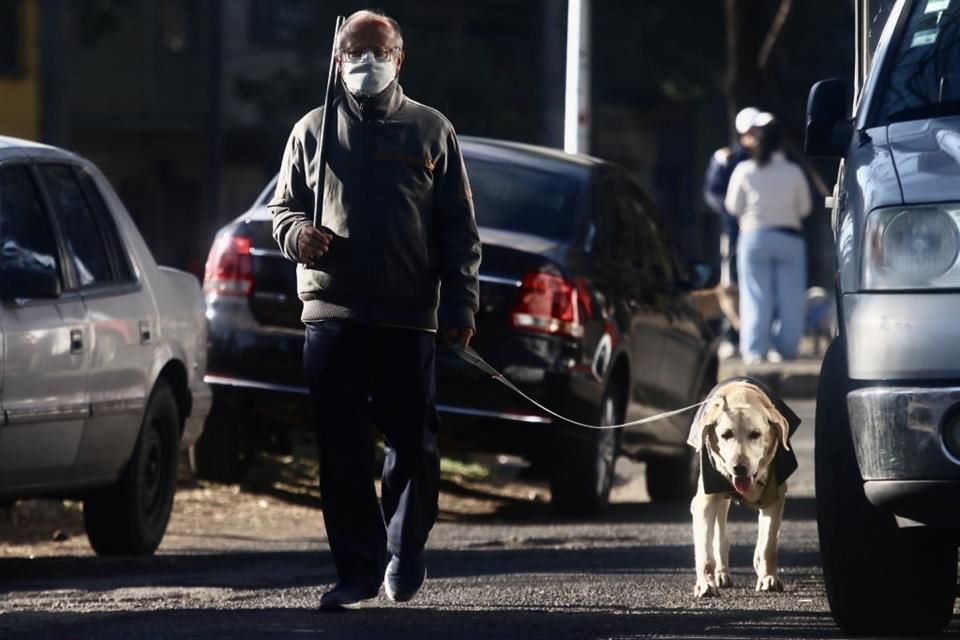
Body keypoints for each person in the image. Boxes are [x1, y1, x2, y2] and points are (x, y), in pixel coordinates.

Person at [269, 9, 481, 611]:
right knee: (341, 450)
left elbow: (458, 231)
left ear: (399, 58)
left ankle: (404, 548)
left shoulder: (431, 131)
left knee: (414, 445)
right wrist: (297, 236)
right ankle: (356, 572)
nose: (367, 62)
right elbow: (281, 210)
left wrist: (460, 303)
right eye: (355, 51)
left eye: (378, 50)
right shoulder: (312, 129)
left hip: (407, 317)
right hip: (331, 315)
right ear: (337, 60)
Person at [724, 113, 811, 364]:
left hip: (754, 237)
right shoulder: (794, 172)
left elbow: (732, 206)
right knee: (791, 297)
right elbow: (804, 209)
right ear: (780, 143)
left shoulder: (745, 170)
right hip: (790, 238)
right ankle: (786, 348)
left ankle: (754, 350)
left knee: (755, 296)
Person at [702, 107, 760, 358]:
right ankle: (733, 334)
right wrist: (731, 212)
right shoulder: (725, 159)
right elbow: (712, 192)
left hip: (757, 229)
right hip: (733, 232)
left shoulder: (764, 158)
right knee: (731, 283)